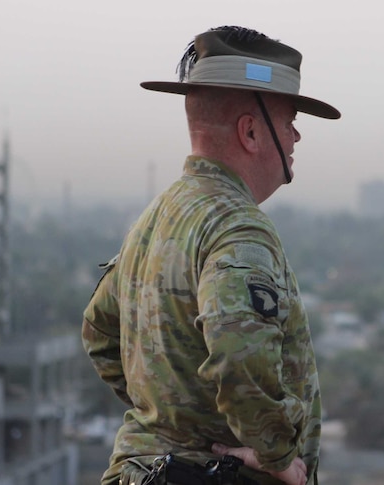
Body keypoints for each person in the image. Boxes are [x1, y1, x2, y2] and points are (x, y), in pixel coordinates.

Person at [81, 25, 339, 485]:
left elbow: (100, 332)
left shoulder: (158, 215)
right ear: (252, 131)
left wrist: (171, 418)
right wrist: (277, 457)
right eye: (288, 121)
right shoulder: (237, 226)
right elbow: (240, 357)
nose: (297, 136)